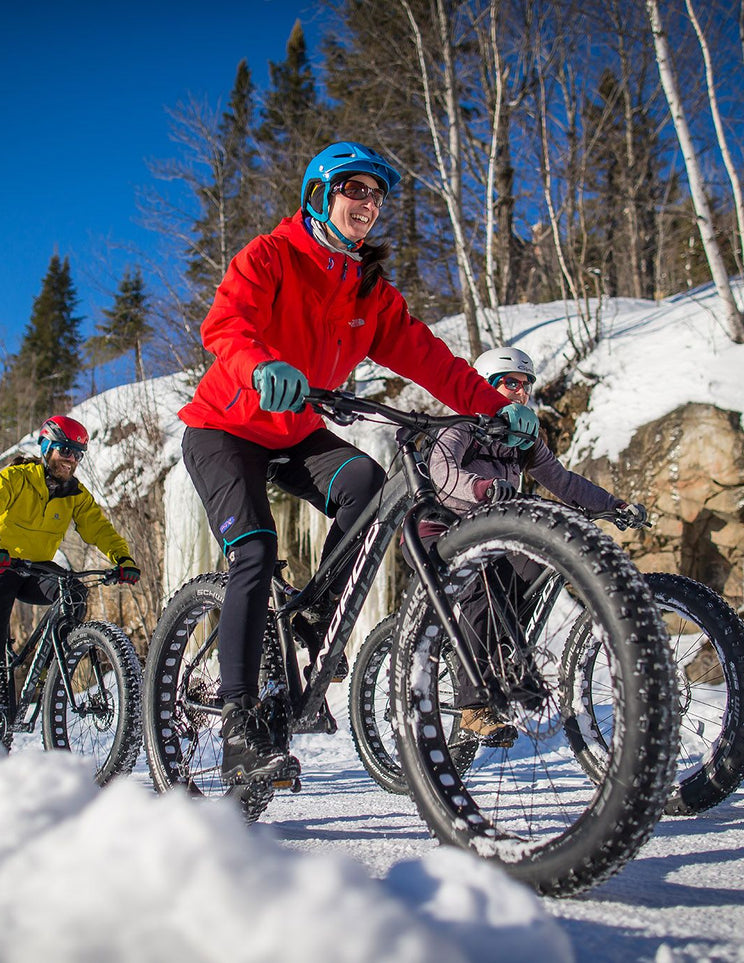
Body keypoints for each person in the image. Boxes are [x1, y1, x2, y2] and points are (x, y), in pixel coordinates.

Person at [177, 141, 540, 787]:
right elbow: (225, 324)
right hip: (225, 429)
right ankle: (237, 724)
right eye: (353, 188)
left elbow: (431, 360)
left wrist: (492, 408)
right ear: (320, 194)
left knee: (367, 485)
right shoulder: (270, 255)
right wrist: (261, 366)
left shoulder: (368, 290)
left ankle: (319, 614)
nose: (366, 203)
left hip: (297, 432)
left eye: (375, 194)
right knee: (255, 554)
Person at [423, 346, 644, 747]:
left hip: (488, 530)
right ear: (487, 385)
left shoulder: (524, 437)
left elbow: (562, 481)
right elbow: (443, 473)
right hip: (438, 526)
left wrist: (613, 506)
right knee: (485, 580)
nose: (521, 392)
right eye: (512, 383)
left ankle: (507, 661)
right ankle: (474, 706)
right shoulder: (461, 425)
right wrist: (482, 488)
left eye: (527, 385)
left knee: (530, 571)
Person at [0, 414, 140, 733]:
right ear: (46, 447)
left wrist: (122, 558)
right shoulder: (16, 478)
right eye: (64, 450)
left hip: (35, 568)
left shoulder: (75, 494)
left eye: (77, 453)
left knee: (73, 593)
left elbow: (98, 528)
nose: (70, 459)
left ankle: (50, 671)